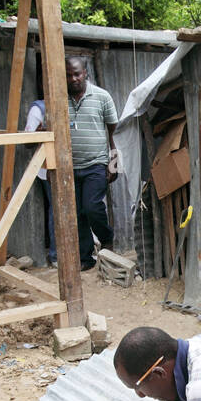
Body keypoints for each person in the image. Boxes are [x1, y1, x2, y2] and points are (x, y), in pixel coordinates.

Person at [65, 57, 118, 271]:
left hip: (96, 163)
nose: (74, 78)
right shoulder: (58, 97)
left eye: (77, 73)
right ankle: (86, 258)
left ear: (85, 73)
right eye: (69, 75)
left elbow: (114, 129)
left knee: (92, 206)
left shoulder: (102, 96)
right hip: (69, 166)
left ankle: (106, 239)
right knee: (77, 213)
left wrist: (113, 161)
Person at [22, 98, 57, 266]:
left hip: (76, 166)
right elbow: (27, 143)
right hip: (47, 169)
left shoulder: (74, 102)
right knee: (56, 210)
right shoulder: (39, 109)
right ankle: (56, 254)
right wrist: (40, 133)